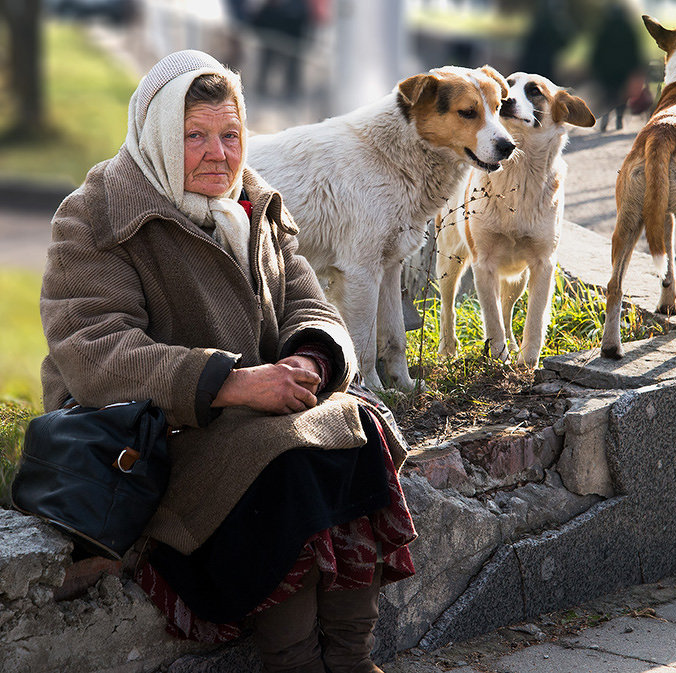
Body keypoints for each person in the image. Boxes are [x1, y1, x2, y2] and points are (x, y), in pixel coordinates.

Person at [39, 49, 416, 673]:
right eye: (195, 136)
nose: (220, 153)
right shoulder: (96, 215)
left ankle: (351, 660)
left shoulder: (253, 199)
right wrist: (232, 383)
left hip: (261, 409)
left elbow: (305, 297)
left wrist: (312, 361)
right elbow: (94, 354)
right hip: (155, 436)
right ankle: (292, 663)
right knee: (286, 460)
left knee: (361, 430)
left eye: (231, 134)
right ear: (159, 135)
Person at [588, 0, 644, 132]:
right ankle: (619, 119)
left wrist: (594, 66)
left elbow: (597, 50)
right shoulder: (628, 29)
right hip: (624, 69)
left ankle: (605, 121)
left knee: (608, 95)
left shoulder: (604, 29)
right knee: (622, 95)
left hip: (606, 70)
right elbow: (634, 50)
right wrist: (636, 67)